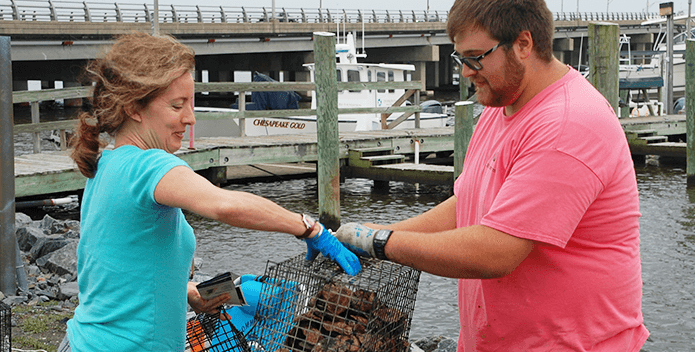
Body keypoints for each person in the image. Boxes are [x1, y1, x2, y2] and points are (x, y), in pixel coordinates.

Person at [334, 0, 649, 351]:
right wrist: (370, 234)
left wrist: (379, 244)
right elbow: (468, 202)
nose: (466, 72)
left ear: (523, 44)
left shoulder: (567, 124)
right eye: (460, 59)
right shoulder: (502, 105)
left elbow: (496, 252)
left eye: (475, 57)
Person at [60, 32, 360, 352]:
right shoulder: (148, 166)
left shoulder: (107, 163)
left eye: (190, 103)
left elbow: (114, 269)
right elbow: (225, 205)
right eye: (177, 105)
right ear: (134, 107)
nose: (190, 118)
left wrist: (185, 291)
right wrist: (309, 228)